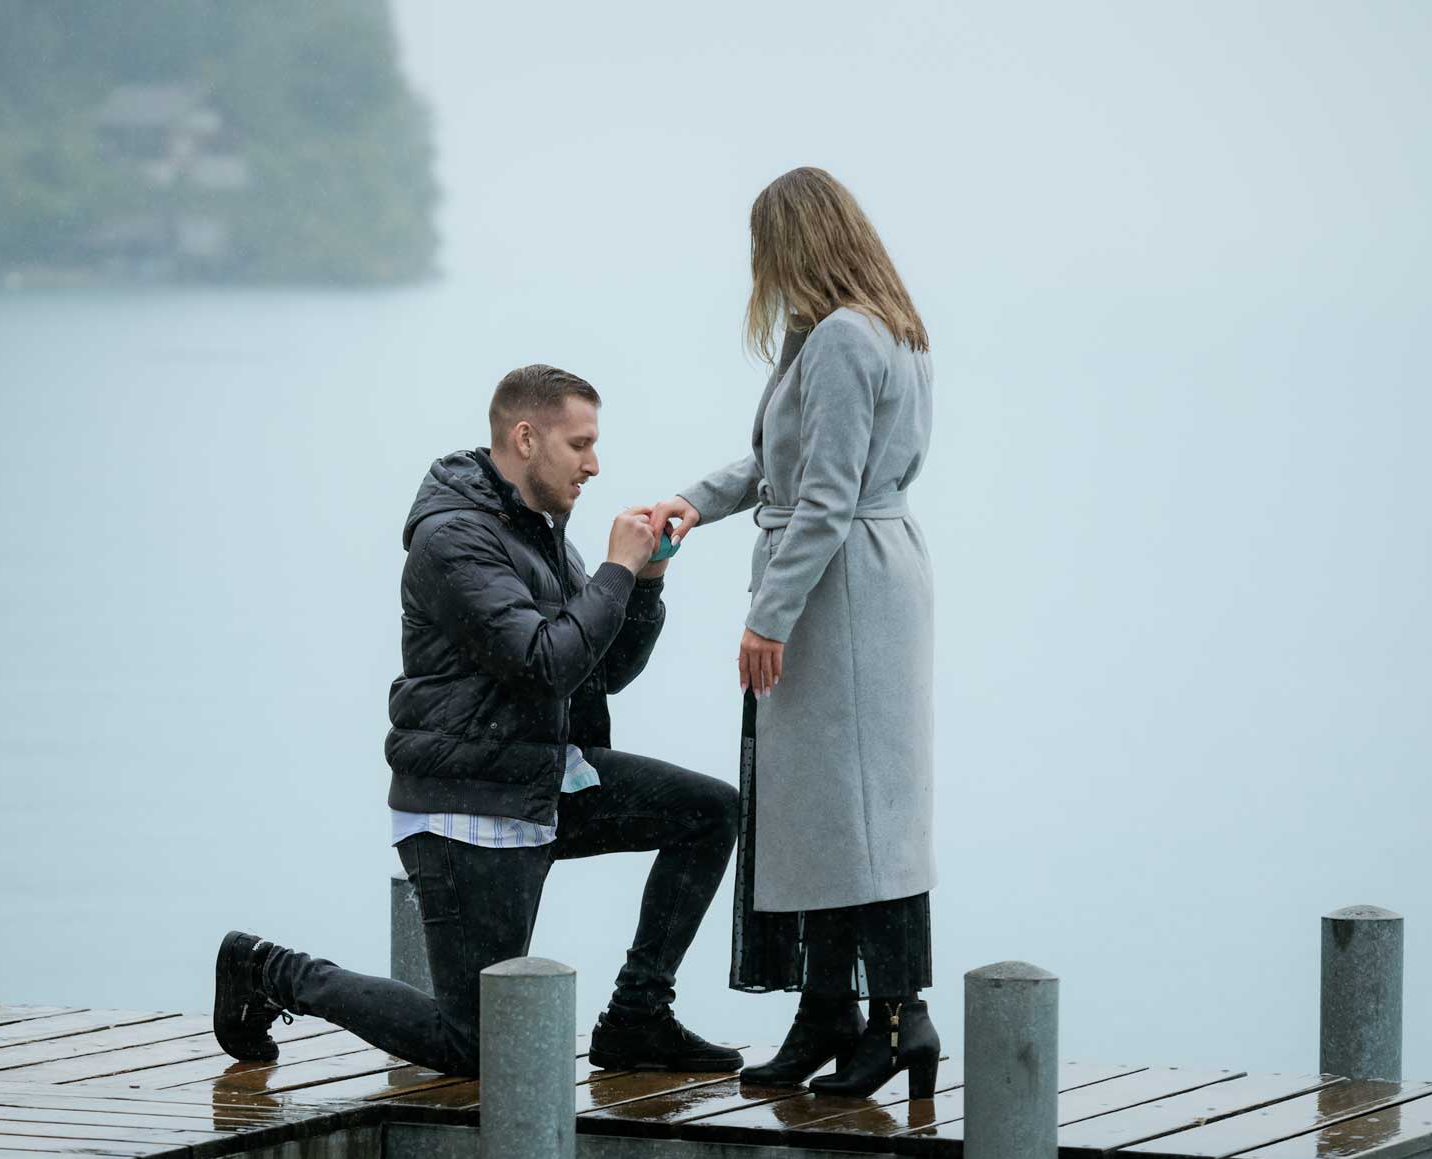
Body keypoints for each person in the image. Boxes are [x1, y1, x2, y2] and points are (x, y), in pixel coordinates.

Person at [214, 364, 742, 1078]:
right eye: (580, 444)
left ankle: (638, 1016)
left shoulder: (539, 532)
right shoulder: (453, 539)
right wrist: (617, 572)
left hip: (542, 780)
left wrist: (644, 585)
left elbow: (601, 671)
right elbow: (543, 663)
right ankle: (268, 969)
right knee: (476, 1045)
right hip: (469, 805)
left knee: (709, 812)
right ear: (526, 439)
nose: (594, 464)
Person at [649, 166, 939, 1098]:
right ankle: (830, 1011)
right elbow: (784, 463)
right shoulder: (847, 331)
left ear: (796, 243)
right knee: (825, 814)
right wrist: (696, 501)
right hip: (855, 576)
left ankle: (895, 1018)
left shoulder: (847, 339)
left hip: (840, 588)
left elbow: (824, 496)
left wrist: (766, 616)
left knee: (860, 817)